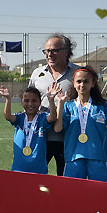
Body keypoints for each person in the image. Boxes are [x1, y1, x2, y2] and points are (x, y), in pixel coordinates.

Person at [54, 67, 107, 182]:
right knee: (71, 195)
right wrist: (60, 105)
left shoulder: (102, 106)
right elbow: (57, 128)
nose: (82, 85)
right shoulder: (68, 106)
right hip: (73, 158)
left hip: (98, 158)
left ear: (93, 83)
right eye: (79, 81)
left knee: (101, 196)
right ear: (73, 83)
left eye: (86, 81)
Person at [29, 34, 80, 175]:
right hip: (41, 136)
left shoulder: (78, 74)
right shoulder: (37, 73)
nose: (49, 54)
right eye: (47, 51)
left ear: (66, 51)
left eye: (54, 50)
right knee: (36, 177)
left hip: (68, 137)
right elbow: (29, 101)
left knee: (66, 181)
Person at [0, 85, 58, 174]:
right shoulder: (20, 118)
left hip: (39, 170)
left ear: (40, 102)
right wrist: (8, 98)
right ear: (22, 102)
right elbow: (8, 116)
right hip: (19, 169)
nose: (30, 104)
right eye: (26, 101)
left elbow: (53, 117)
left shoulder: (42, 118)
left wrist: (51, 100)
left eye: (34, 101)